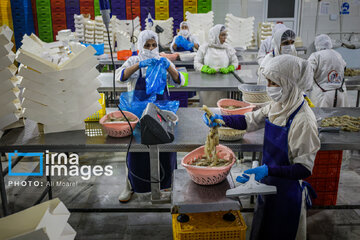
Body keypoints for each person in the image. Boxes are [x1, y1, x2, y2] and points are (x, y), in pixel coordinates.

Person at [203, 55, 320, 240]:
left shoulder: (303, 120)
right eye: (268, 81)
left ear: (288, 83)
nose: (269, 87)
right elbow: (250, 120)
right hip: (268, 185)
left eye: (274, 82)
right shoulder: (278, 105)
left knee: (281, 232)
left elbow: (304, 168)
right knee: (263, 229)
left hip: (287, 193)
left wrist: (267, 169)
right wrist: (222, 119)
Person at [115, 30, 185, 202]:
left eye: (154, 45)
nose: (151, 48)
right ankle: (131, 185)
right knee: (136, 148)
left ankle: (167, 184)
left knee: (164, 148)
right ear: (140, 46)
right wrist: (139, 65)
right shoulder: (134, 60)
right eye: (147, 45)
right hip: (137, 114)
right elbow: (120, 77)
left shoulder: (163, 61)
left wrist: (167, 65)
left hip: (161, 112)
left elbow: (179, 80)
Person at [194, 24, 238, 106]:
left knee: (221, 106)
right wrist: (204, 68)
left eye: (225, 35)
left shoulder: (227, 48)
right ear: (215, 35)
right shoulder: (205, 47)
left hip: (223, 83)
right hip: (206, 83)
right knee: (207, 107)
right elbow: (196, 63)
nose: (225, 37)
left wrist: (230, 68)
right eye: (222, 35)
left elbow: (235, 62)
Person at [308, 34, 348, 107]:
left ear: (317, 44)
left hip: (323, 94)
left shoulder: (316, 55)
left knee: (321, 116)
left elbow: (308, 71)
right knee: (339, 116)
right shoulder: (337, 54)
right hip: (340, 92)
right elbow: (344, 67)